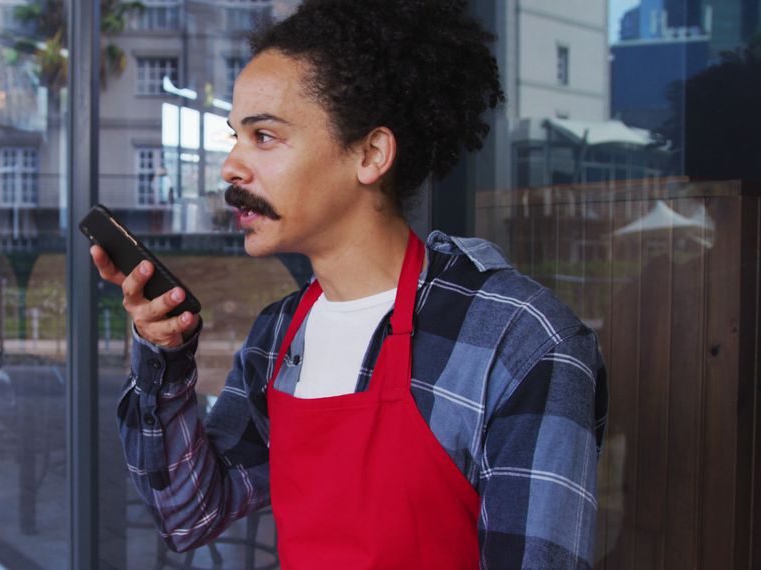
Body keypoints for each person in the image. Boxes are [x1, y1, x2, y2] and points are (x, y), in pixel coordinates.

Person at [90, 0, 608, 567]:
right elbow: (190, 514)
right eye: (235, 135)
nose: (231, 167)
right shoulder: (280, 334)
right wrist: (164, 359)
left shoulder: (518, 343)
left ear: (370, 153)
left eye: (264, 137)